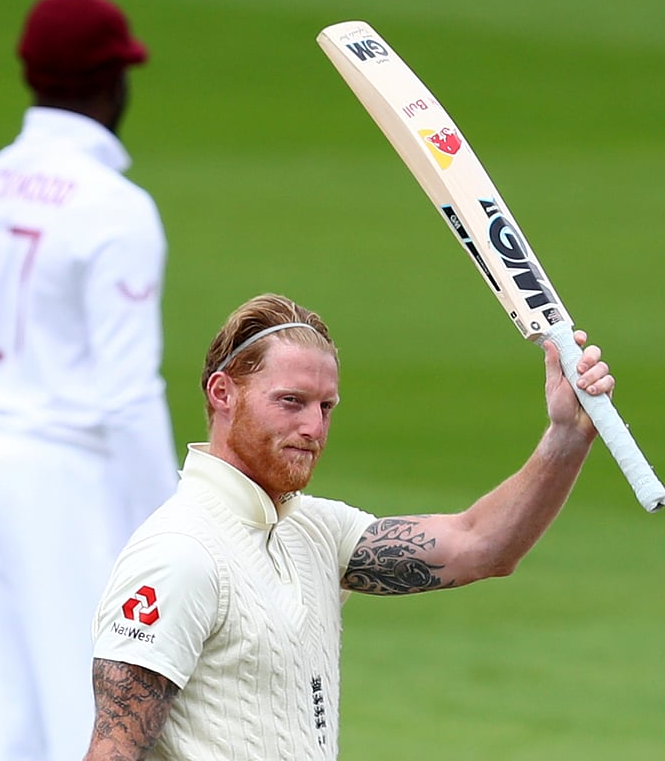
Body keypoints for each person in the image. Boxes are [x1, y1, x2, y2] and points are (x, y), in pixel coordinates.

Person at [81, 292, 614, 760]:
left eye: (326, 407)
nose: (313, 428)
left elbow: (481, 545)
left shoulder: (313, 531)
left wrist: (565, 438)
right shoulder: (180, 552)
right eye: (290, 402)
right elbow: (113, 750)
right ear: (223, 394)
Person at [0, 0, 178, 761]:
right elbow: (127, 392)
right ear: (114, 83)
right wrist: (171, 535)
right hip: (74, 482)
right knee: (101, 719)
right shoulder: (114, 206)